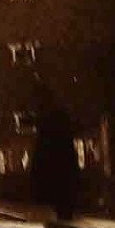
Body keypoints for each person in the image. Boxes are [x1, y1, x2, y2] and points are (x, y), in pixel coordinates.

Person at [29, 83, 80, 221]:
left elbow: (43, 147)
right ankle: (64, 226)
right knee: (63, 204)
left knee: (61, 203)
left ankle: (64, 227)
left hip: (57, 169)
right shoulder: (58, 116)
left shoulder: (47, 119)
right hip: (63, 169)